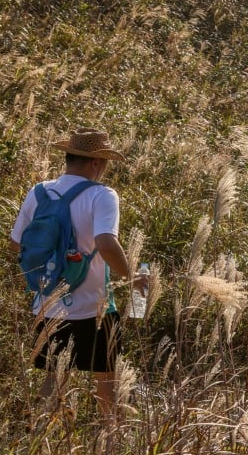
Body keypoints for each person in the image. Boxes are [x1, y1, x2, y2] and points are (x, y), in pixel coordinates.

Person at [8, 128, 148, 421]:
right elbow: (106, 243)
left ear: (69, 157)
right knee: (106, 379)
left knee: (53, 378)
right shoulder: (102, 195)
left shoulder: (38, 191)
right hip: (93, 308)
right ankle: (109, 440)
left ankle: (37, 441)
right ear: (96, 162)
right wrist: (132, 276)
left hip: (47, 304)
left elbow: (16, 243)